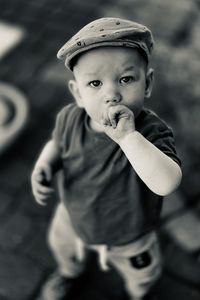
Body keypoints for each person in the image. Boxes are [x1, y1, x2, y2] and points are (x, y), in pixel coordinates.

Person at [31, 17, 182, 300]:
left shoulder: (150, 132)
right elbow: (57, 143)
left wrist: (128, 138)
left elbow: (167, 182)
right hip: (73, 215)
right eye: (95, 83)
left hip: (130, 235)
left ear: (147, 83)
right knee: (63, 248)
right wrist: (45, 164)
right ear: (78, 93)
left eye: (126, 79)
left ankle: (140, 292)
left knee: (142, 274)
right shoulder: (71, 118)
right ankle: (68, 272)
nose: (111, 94)